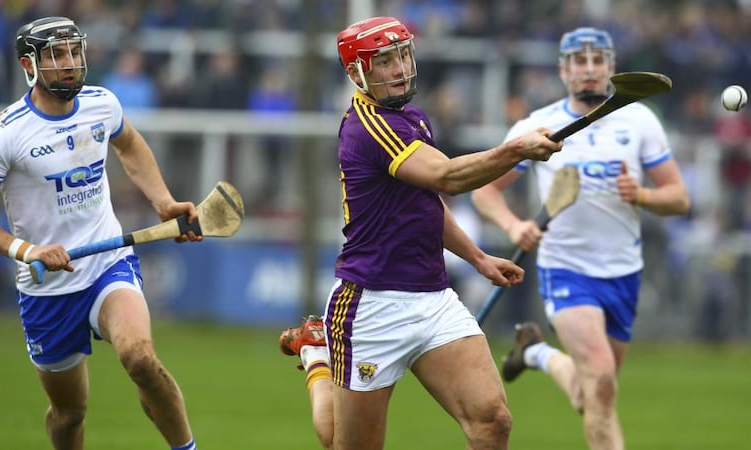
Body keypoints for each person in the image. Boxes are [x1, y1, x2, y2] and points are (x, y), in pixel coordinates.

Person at [278, 16, 562, 450]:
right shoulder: (368, 127)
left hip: (433, 298)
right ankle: (316, 357)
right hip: (371, 305)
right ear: (358, 73)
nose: (398, 69)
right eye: (384, 61)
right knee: (344, 443)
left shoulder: (411, 116)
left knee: (492, 422)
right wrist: (514, 150)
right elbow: (447, 176)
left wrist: (478, 258)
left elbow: (427, 201)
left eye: (402, 56)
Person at [0, 17, 200, 450]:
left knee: (140, 358)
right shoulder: (4, 134)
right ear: (28, 65)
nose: (69, 63)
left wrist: (163, 202)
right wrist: (26, 250)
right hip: (47, 290)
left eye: (73, 51)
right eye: (55, 55)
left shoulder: (102, 104)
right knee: (70, 413)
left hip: (108, 265)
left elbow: (129, 145)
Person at [471, 27, 690, 450]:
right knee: (602, 383)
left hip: (624, 271)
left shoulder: (639, 120)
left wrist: (641, 194)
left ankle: (535, 353)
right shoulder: (537, 125)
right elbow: (484, 191)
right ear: (563, 69)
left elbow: (678, 199)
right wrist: (514, 226)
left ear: (610, 67)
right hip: (566, 268)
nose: (588, 70)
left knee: (591, 393)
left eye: (597, 61)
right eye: (579, 62)